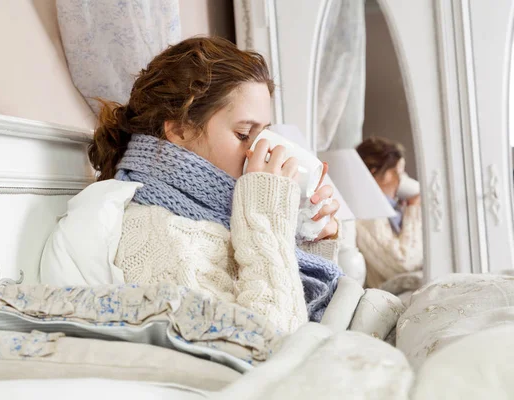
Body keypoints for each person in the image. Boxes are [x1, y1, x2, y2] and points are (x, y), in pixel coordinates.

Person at [84, 37, 343, 334]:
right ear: (180, 129)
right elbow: (270, 345)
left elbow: (311, 313)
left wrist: (309, 237)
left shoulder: (223, 215)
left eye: (264, 134)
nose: (260, 150)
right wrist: (265, 220)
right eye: (245, 134)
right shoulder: (156, 236)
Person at [355, 137, 424, 290]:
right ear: (377, 173)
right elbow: (404, 263)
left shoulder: (393, 208)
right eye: (398, 171)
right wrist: (414, 209)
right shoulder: (367, 213)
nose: (401, 179)